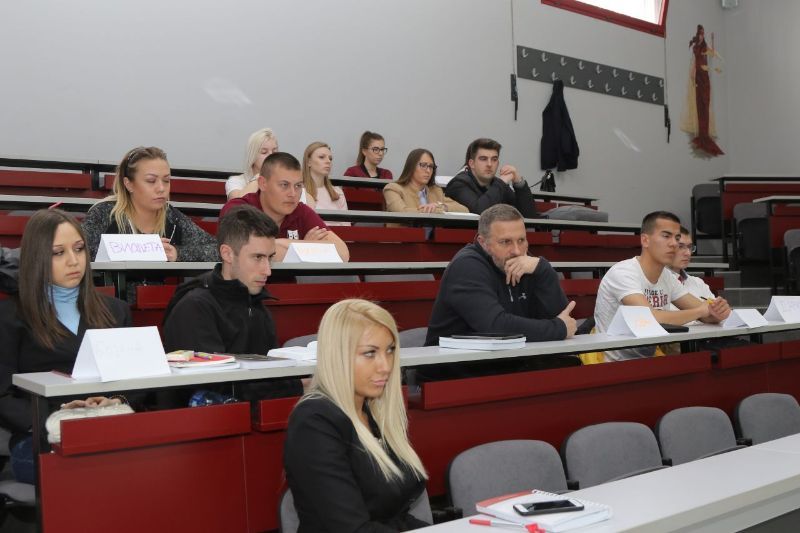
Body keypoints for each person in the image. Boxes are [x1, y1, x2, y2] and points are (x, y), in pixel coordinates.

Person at [0, 209, 132, 484]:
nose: (73, 261)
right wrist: (57, 417)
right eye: (58, 253)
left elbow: (139, 382)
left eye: (79, 249)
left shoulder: (117, 311)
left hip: (107, 429)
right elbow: (3, 398)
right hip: (41, 437)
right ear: (37, 258)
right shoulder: (9, 317)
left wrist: (117, 400)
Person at [284, 299, 428, 532]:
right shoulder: (314, 421)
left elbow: (395, 516)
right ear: (337, 356)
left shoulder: (375, 412)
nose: (385, 366)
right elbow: (352, 528)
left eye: (390, 350)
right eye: (370, 353)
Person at [420, 205, 577, 381]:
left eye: (521, 240)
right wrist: (558, 328)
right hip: (450, 377)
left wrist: (544, 270)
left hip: (502, 367)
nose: (517, 251)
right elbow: (495, 326)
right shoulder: (467, 266)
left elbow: (563, 318)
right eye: (505, 242)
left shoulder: (524, 264)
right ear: (483, 243)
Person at [162, 205, 302, 398]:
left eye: (270, 258)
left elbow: (268, 374)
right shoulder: (194, 308)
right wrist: (297, 386)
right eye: (257, 257)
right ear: (227, 254)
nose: (267, 270)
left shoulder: (257, 305)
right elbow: (215, 390)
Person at [594, 211, 731, 362]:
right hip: (611, 364)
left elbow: (707, 313)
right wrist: (700, 311)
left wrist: (718, 312)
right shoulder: (623, 272)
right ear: (645, 240)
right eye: (666, 236)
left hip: (649, 360)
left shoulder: (667, 277)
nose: (674, 244)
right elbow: (650, 319)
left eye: (677, 238)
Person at [83, 146, 218, 262]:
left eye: (166, 180)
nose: (161, 188)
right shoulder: (104, 213)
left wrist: (178, 253)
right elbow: (80, 252)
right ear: (128, 184)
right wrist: (143, 250)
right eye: (151, 181)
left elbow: (217, 250)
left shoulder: (172, 216)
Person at [220, 152, 350, 262]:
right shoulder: (239, 209)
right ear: (263, 183)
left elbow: (343, 253)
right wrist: (307, 246)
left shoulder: (301, 211)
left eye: (298, 186)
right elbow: (250, 253)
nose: (293, 194)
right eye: (284, 185)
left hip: (291, 284)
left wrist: (286, 246)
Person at [445, 138, 537, 218]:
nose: (489, 164)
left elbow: (529, 215)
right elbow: (480, 212)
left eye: (494, 159)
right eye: (483, 159)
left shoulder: (497, 184)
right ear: (472, 164)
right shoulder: (458, 184)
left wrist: (518, 182)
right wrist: (501, 183)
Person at [680, 25, 724, 157]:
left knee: (705, 103)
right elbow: (694, 62)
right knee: (699, 104)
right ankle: (701, 132)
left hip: (704, 78)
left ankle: (705, 134)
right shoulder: (696, 48)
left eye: (703, 34)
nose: (702, 36)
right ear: (697, 34)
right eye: (700, 33)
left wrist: (713, 40)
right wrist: (692, 73)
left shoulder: (705, 46)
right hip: (698, 77)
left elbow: (712, 53)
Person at [383, 149, 468, 215]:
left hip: (433, 233)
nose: (428, 170)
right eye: (423, 165)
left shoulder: (436, 191)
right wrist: (434, 210)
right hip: (405, 232)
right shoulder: (393, 189)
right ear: (411, 166)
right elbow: (402, 212)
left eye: (431, 166)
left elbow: (464, 209)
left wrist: (442, 206)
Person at [302, 142, 350, 226]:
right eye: (321, 157)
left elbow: (346, 225)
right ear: (308, 162)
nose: (328, 161)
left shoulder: (337, 192)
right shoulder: (299, 192)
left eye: (330, 158)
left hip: (338, 234)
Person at [226, 128, 280, 199]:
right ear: (252, 156)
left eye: (274, 152)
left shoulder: (284, 181)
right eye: (264, 152)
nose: (271, 155)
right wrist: (259, 177)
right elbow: (238, 202)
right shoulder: (236, 181)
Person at [667, 227, 715, 303]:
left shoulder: (698, 283)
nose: (688, 253)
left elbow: (715, 309)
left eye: (689, 247)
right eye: (680, 247)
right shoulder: (655, 283)